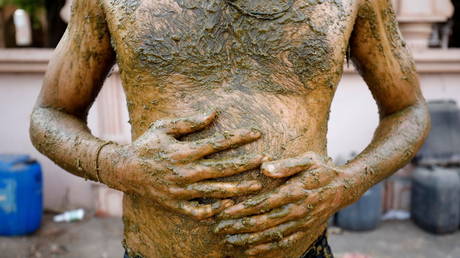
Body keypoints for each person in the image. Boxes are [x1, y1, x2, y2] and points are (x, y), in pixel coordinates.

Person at [30, 0, 430, 257]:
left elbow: (408, 110)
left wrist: (346, 184)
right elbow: (50, 114)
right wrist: (119, 167)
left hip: (301, 250)